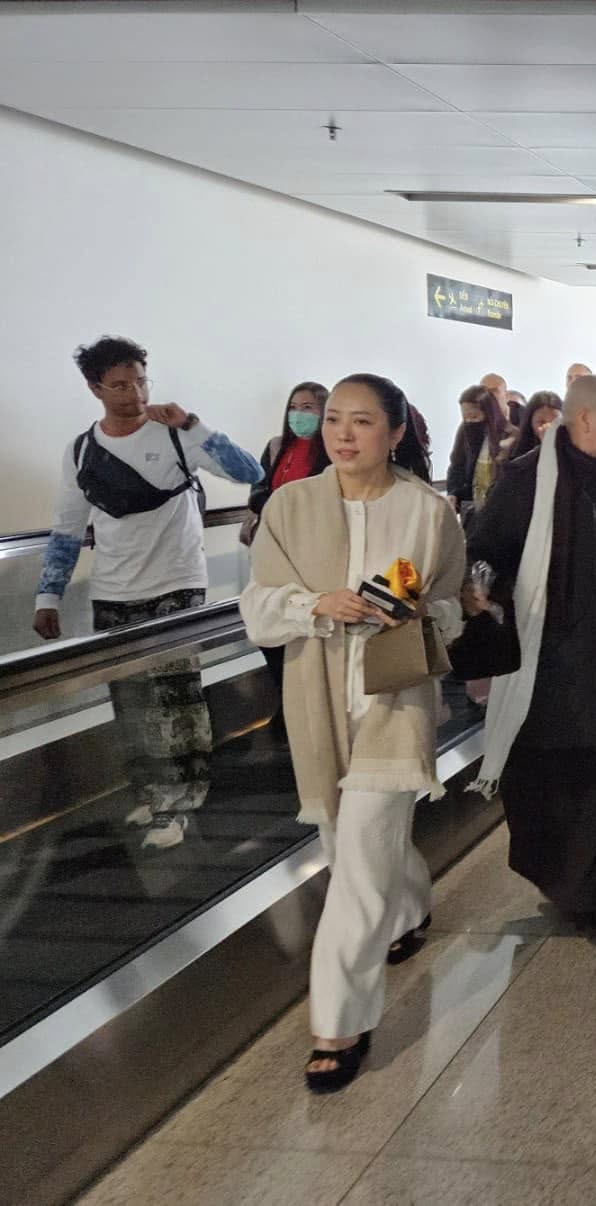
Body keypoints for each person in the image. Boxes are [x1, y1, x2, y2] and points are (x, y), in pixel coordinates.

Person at [240, 373, 466, 1093]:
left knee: (362, 860)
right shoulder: (289, 506)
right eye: (333, 418)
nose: (341, 433)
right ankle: (412, 906)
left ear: (395, 433)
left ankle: (338, 1025)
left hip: (396, 703)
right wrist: (315, 604)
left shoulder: (427, 511)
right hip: (317, 703)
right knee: (351, 844)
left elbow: (454, 608)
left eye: (362, 421)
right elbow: (257, 608)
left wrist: (418, 612)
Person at [35, 336, 263, 847]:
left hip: (176, 584)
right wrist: (47, 597)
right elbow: (67, 528)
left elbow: (250, 472)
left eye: (141, 381)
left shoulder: (177, 435)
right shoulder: (81, 450)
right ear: (95, 388)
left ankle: (180, 803)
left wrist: (192, 424)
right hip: (113, 590)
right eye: (120, 385)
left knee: (176, 699)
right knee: (131, 699)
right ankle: (149, 792)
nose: (135, 394)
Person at [465, 375, 596, 942]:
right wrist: (480, 585)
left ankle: (594, 897)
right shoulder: (527, 479)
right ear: (584, 421)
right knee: (547, 784)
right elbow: (485, 549)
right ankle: (564, 883)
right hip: (546, 665)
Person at [248, 382, 332, 728]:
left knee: (303, 626)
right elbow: (257, 491)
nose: (299, 415)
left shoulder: (331, 451)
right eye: (294, 407)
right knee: (270, 622)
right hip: (274, 549)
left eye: (308, 408)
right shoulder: (277, 447)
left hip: (310, 553)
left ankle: (303, 706)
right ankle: (286, 698)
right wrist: (277, 506)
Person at [447, 385, 514, 515]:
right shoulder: (464, 431)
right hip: (471, 507)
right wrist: (453, 493)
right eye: (465, 417)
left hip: (501, 509)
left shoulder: (510, 435)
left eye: (474, 416)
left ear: (489, 413)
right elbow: (456, 465)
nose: (469, 421)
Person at [505, 390, 563, 468]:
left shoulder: (573, 448)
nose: (548, 426)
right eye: (541, 422)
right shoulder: (516, 452)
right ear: (530, 422)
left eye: (555, 421)